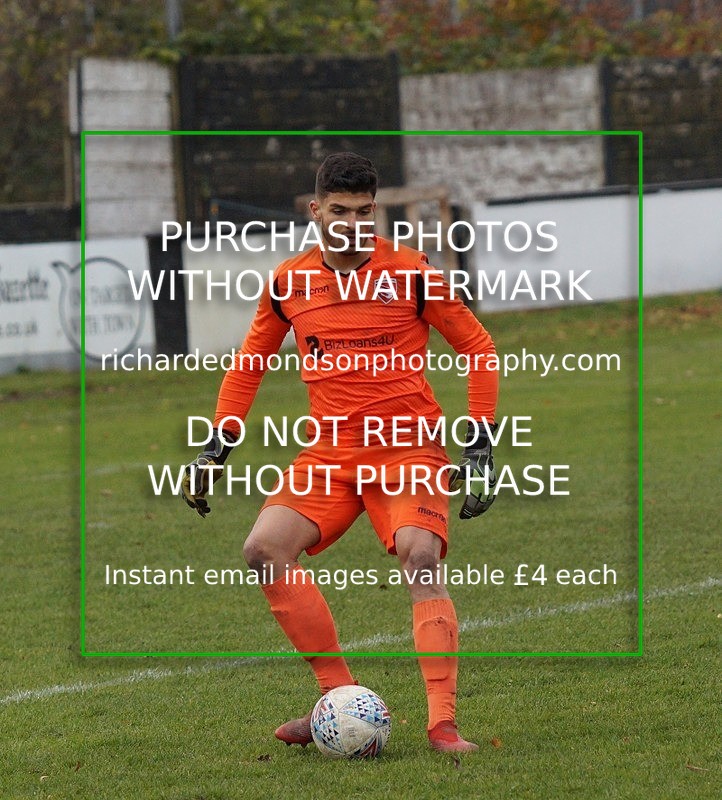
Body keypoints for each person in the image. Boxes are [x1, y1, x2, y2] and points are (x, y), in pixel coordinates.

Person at [181, 152, 499, 753]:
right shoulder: (288, 282)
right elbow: (249, 365)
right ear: (316, 210)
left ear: (374, 210)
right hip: (330, 454)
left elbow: (478, 348)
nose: (352, 223)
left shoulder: (411, 272)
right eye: (339, 211)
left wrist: (478, 439)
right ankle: (339, 699)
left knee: (420, 558)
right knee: (264, 550)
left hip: (407, 450)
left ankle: (443, 727)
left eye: (363, 211)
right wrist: (216, 444)